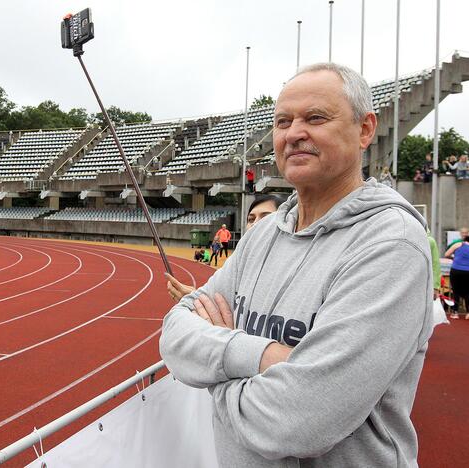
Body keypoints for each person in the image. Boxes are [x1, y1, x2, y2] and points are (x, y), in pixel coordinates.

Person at [160, 63, 432, 467]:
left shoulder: (391, 244)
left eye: (315, 118)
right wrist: (266, 355)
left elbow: (294, 422)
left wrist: (214, 372)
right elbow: (174, 335)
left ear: (365, 129)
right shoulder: (262, 233)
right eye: (283, 121)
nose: (294, 133)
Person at [167, 194, 286, 302]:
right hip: (220, 243)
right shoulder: (237, 265)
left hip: (225, 242)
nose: (255, 223)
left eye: (266, 217)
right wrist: (195, 298)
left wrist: (227, 238)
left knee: (222, 251)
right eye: (251, 219)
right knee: (217, 253)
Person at [445, 233, 469, 319]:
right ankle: (468, 313)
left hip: (456, 269)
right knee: (467, 291)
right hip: (468, 271)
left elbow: (447, 254)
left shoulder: (458, 244)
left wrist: (454, 258)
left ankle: (455, 313)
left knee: (456, 291)